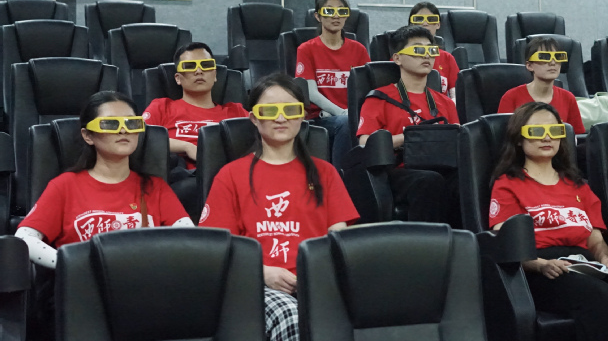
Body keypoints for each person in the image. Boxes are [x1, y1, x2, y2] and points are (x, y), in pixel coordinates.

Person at [15, 91, 192, 340]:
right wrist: (71, 263)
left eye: (132, 123)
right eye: (110, 124)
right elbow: (24, 238)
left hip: (143, 292)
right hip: (83, 293)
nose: (124, 130)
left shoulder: (155, 187)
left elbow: (189, 238)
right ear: (88, 135)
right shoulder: (65, 186)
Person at [200, 73, 359, 341]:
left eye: (291, 110)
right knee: (293, 318)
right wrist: (262, 273)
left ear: (303, 115)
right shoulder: (231, 175)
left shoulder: (325, 173)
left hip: (318, 282)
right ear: (254, 118)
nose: (281, 118)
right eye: (270, 111)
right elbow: (218, 249)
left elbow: (339, 241)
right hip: (255, 285)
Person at [489, 102, 608, 341]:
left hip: (583, 263)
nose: (547, 137)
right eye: (536, 131)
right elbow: (506, 244)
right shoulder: (508, 184)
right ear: (519, 139)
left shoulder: (577, 184)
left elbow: (594, 237)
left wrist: (604, 258)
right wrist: (541, 264)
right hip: (538, 269)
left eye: (555, 130)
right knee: (597, 295)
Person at [357, 25, 460, 225]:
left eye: (431, 50)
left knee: (468, 177)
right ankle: (426, 242)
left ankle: (466, 240)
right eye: (418, 50)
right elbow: (366, 143)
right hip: (398, 170)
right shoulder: (379, 98)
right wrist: (412, 137)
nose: (427, 55)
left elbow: (457, 140)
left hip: (441, 166)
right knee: (430, 180)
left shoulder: (446, 102)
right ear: (397, 58)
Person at [143, 42, 248, 170]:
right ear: (178, 78)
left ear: (215, 75)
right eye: (189, 66)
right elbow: (139, 138)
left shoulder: (236, 112)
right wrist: (186, 147)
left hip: (227, 174)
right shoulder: (162, 107)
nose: (199, 71)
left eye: (206, 65)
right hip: (179, 176)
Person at [295, 0, 371, 169]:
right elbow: (310, 93)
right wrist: (341, 112)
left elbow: (367, 89)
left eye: (341, 11)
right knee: (345, 123)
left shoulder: (359, 50)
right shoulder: (306, 49)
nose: (336, 16)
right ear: (318, 16)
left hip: (353, 116)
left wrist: (353, 114)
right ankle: (340, 177)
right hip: (321, 118)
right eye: (329, 11)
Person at [497, 36, 585, 134]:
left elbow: (575, 137)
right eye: (544, 57)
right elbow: (504, 138)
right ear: (529, 65)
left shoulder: (568, 98)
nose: (553, 62)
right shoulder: (511, 97)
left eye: (558, 57)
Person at [408, 2, 459, 99]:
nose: (425, 23)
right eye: (419, 19)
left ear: (438, 24)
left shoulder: (447, 58)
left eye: (431, 19)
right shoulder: (402, 56)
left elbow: (456, 96)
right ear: (411, 24)